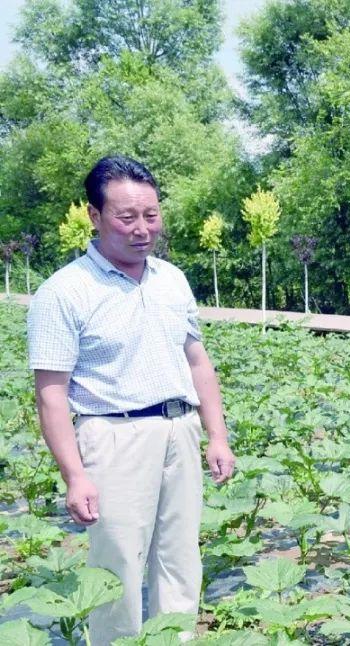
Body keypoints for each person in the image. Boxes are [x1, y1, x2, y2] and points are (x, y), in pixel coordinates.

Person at [28, 155, 236, 644]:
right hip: (112, 436)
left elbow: (197, 362)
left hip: (178, 429)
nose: (142, 229)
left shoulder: (172, 279)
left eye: (151, 215)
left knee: (181, 558)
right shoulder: (65, 292)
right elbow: (51, 394)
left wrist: (217, 436)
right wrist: (75, 474)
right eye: (126, 217)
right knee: (117, 566)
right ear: (95, 217)